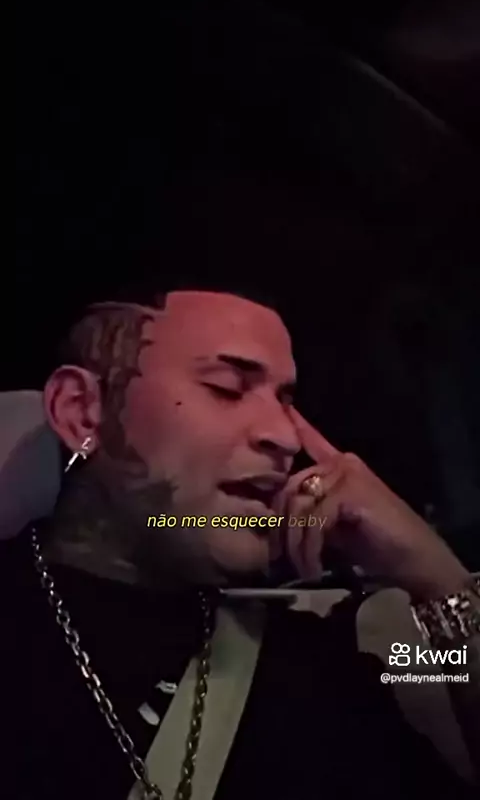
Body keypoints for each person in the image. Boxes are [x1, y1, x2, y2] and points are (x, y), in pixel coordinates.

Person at [1, 284, 479, 800]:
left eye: (285, 401)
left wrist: (437, 578)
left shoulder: (317, 665)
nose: (286, 438)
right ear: (81, 413)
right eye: (227, 387)